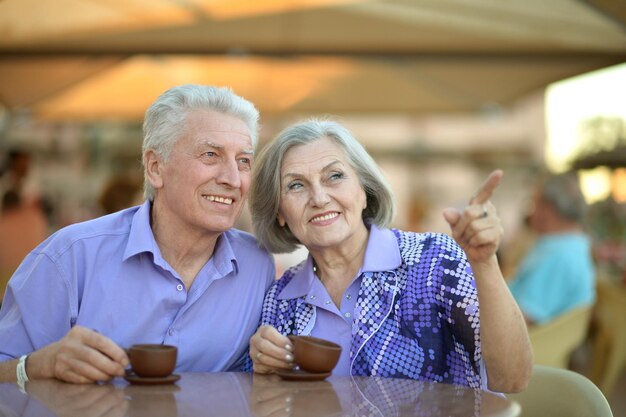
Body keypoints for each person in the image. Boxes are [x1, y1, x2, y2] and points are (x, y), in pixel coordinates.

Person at [0, 84, 275, 384]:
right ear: (155, 167)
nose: (233, 179)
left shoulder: (257, 266)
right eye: (211, 155)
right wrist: (40, 365)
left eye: (244, 161)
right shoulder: (69, 258)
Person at [247, 120, 532, 393]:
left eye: (334, 176)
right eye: (296, 185)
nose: (319, 198)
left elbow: (511, 379)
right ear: (279, 213)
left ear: (365, 191)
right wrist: (264, 368)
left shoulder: (433, 260)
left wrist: (484, 262)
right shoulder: (281, 299)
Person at [508, 172, 595, 325]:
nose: (530, 211)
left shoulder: (561, 256)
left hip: (533, 343)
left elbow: (522, 319)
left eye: (533, 203)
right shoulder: (564, 245)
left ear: (547, 209)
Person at [0, 190, 48, 301]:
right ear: (20, 204)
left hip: (5, 294)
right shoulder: (36, 220)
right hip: (33, 288)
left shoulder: (2, 224)